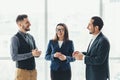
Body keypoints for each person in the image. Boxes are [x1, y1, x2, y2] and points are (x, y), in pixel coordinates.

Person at [10, 14, 41, 80]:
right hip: (22, 73)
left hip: (33, 71)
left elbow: (35, 52)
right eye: (27, 22)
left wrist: (37, 54)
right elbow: (14, 57)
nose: (30, 24)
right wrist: (31, 54)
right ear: (20, 25)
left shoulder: (31, 37)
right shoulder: (15, 38)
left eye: (29, 22)